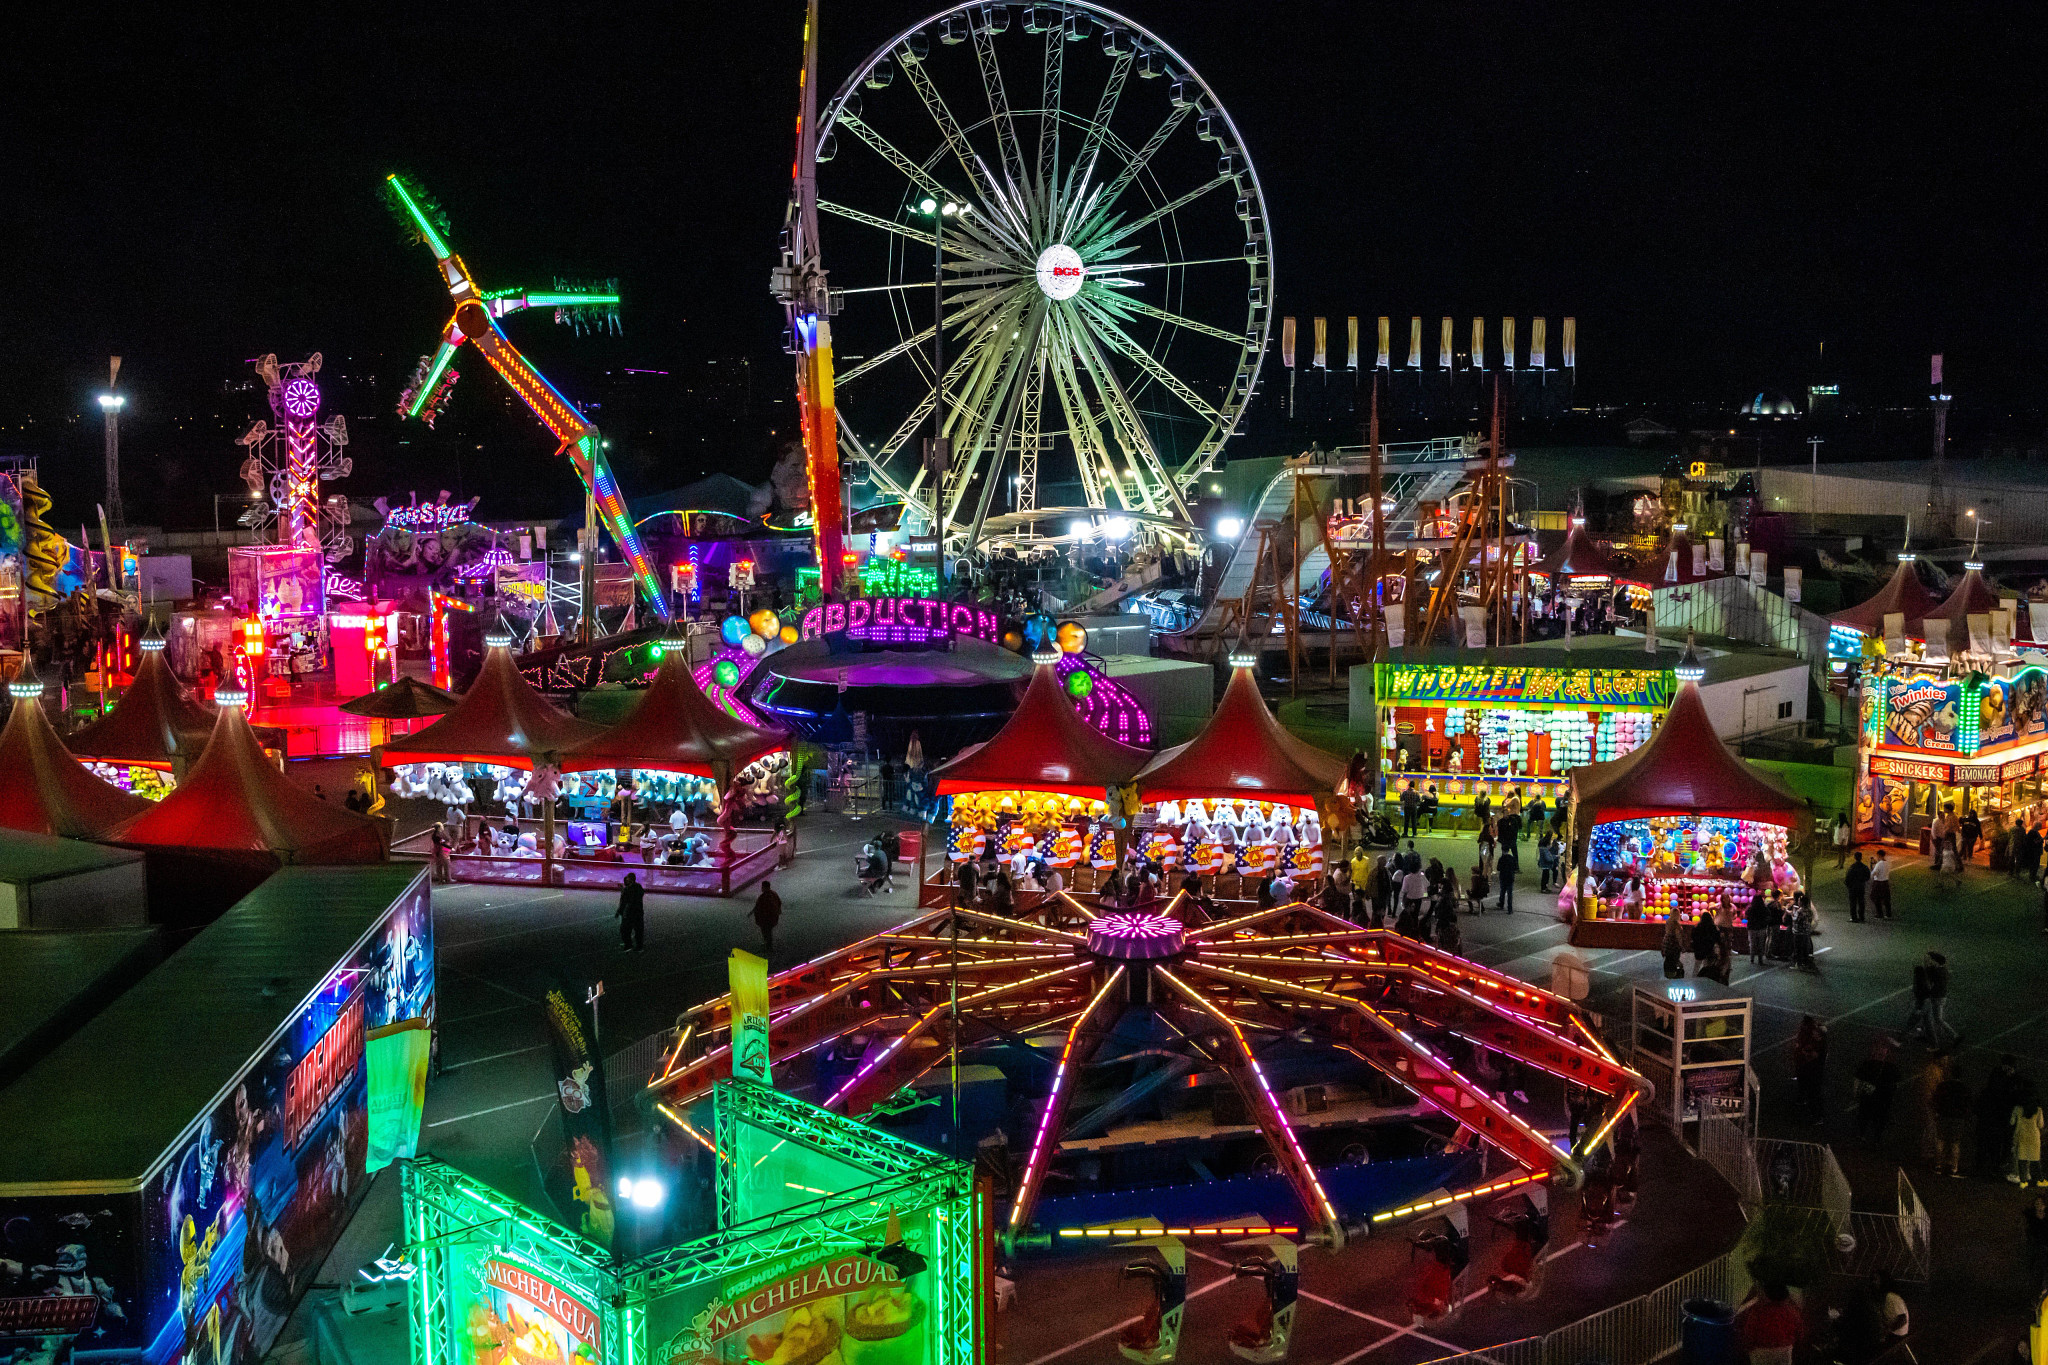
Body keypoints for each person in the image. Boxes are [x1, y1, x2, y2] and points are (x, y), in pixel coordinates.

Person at [1979, 1055, 2025, 1180]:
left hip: (1999, 1116)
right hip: (2001, 1117)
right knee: (1997, 1143)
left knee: (1999, 1144)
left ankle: (1994, 1167)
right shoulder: (2002, 1076)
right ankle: (1994, 1167)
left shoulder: (2001, 1075)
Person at [1736, 1282, 1804, 1365]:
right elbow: (1799, 1332)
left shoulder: (1758, 1312)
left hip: (1761, 1350)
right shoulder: (1792, 1312)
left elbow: (1749, 1333)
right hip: (1785, 1349)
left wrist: (1747, 1347)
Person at [1854, 1038, 1902, 1148]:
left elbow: (1858, 1079)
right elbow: (1896, 1084)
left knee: (1867, 1116)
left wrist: (1856, 1092)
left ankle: (1864, 1135)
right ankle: (1875, 1139)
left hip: (1873, 1097)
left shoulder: (1869, 1064)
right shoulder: (1891, 1067)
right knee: (1877, 1118)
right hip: (1882, 1098)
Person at [1932, 1063, 1973, 1177]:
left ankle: (1938, 1165)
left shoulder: (1943, 1085)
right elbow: (1968, 1104)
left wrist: (1937, 1111)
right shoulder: (1964, 1088)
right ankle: (1954, 1168)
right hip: (1958, 1118)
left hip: (1943, 1116)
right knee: (1955, 1143)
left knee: (1940, 1140)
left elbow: (1936, 1099)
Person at [1793, 1016, 1827, 1125]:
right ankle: (1813, 1112)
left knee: (1814, 1095)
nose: (1814, 1033)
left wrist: (1802, 1051)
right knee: (1810, 1092)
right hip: (1810, 1071)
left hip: (1815, 1074)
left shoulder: (1821, 1045)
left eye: (1816, 1033)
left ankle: (1818, 1117)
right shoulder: (1816, 1041)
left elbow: (1812, 1056)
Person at [1924, 950, 1956, 1048]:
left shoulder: (1936, 971)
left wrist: (1927, 962)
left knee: (1937, 1019)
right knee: (1937, 1018)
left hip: (1937, 997)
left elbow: (1927, 972)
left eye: (1932, 960)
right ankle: (1943, 1036)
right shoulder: (1943, 970)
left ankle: (1953, 1035)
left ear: (1936, 962)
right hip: (1941, 996)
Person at [2015, 1092, 2046, 1187]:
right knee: (2035, 1160)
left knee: (2022, 1159)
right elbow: (2040, 1125)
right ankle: (2040, 1180)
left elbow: (2012, 1122)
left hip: (2022, 1135)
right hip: (2034, 1137)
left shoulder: (2018, 1109)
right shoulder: (2038, 1110)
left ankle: (2023, 1181)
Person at [750, 879, 782, 956]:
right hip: (772, 917)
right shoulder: (773, 894)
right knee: (768, 931)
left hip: (765, 918)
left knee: (766, 931)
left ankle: (768, 946)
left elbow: (758, 906)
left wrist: (754, 912)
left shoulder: (764, 897)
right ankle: (768, 944)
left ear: (764, 887)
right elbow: (779, 902)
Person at [616, 872, 646, 952]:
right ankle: (638, 946)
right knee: (637, 930)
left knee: (626, 929)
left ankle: (630, 945)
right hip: (637, 912)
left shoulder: (629, 889)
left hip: (631, 913)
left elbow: (626, 901)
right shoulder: (638, 887)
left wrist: (619, 911)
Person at [2025, 1195, 2048, 1296]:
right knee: (2037, 1270)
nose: (2039, 1206)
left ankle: (2045, 1290)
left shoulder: (2046, 1216)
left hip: (2045, 1246)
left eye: (2041, 1203)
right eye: (2037, 1204)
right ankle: (2036, 1294)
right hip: (2036, 1247)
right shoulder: (2032, 1217)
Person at [1689, 910, 1721, 979]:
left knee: (1697, 964)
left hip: (1699, 949)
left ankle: (1694, 977)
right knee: (1706, 965)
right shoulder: (1713, 927)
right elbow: (1717, 938)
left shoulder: (1697, 927)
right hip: (1709, 949)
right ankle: (1706, 978)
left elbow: (1693, 937)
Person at [1843, 851, 1870, 923]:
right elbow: (1868, 876)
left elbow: (1847, 878)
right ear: (1861, 858)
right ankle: (1861, 917)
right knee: (1861, 902)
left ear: (1854, 857)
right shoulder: (1864, 867)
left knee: (1853, 903)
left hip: (1853, 887)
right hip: (1861, 886)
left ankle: (1854, 917)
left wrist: (1849, 885)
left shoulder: (1852, 867)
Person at [1495, 839, 1519, 913]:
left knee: (1502, 891)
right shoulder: (1512, 859)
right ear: (1509, 850)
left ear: (1502, 850)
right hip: (1510, 877)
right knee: (1509, 893)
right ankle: (1510, 908)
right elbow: (1515, 868)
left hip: (1503, 877)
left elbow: (1498, 868)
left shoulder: (1501, 859)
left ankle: (1501, 904)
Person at [1869, 849, 1893, 919]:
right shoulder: (1888, 863)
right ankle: (1888, 914)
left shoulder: (1879, 864)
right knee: (1886, 899)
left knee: (1875, 897)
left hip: (1878, 882)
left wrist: (1873, 868)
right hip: (1885, 882)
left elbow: (1874, 873)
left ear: (1879, 855)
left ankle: (1879, 913)